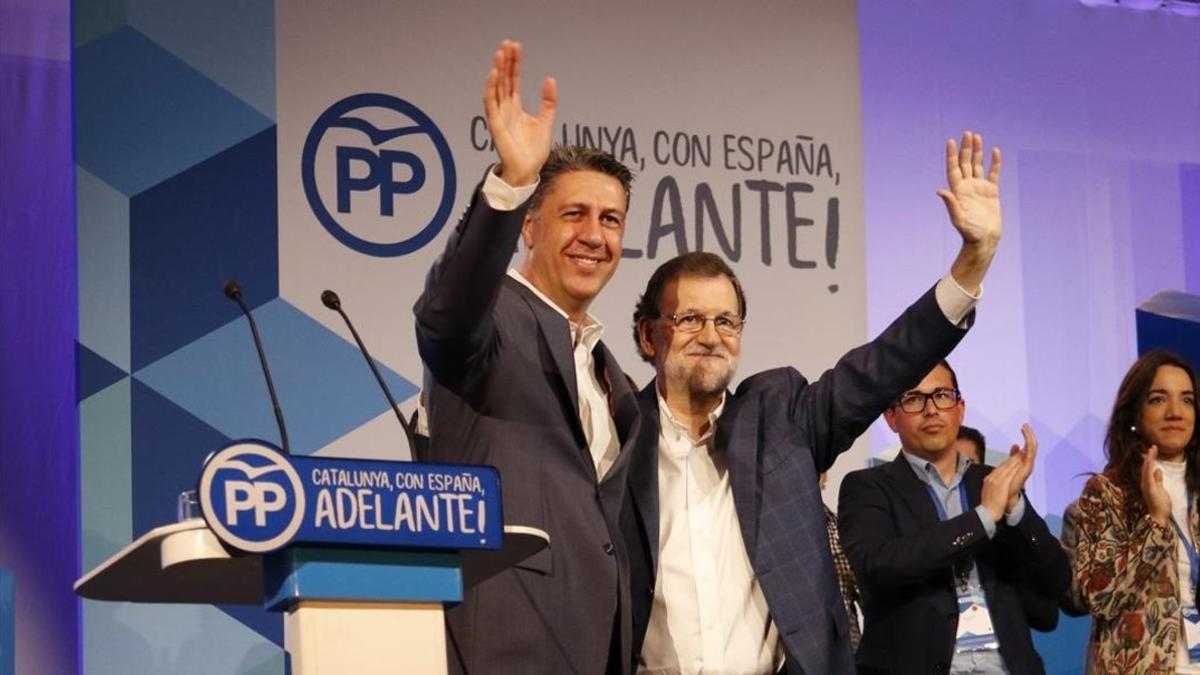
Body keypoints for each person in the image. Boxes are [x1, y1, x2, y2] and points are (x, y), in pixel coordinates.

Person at [620, 131, 1003, 674]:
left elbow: (884, 364)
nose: (711, 335)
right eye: (690, 319)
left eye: (726, 320)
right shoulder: (615, 436)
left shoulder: (780, 420)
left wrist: (974, 259)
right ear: (647, 336)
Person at [414, 40, 641, 675]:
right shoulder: (495, 321)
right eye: (575, 214)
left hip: (594, 647)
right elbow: (447, 314)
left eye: (612, 219)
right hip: (503, 645)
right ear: (531, 227)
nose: (596, 235)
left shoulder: (605, 366)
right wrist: (512, 182)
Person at [838, 361, 1070, 674]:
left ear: (960, 409)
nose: (931, 409)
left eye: (942, 395)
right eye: (913, 399)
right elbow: (878, 565)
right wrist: (983, 517)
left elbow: (1056, 580)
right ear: (891, 417)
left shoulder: (993, 483)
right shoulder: (867, 487)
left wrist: (1016, 508)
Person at [1074, 350, 1200, 673]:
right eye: (1158, 399)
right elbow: (1101, 597)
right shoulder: (1106, 493)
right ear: (1134, 414)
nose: (1176, 412)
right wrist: (1156, 522)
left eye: (1186, 400)